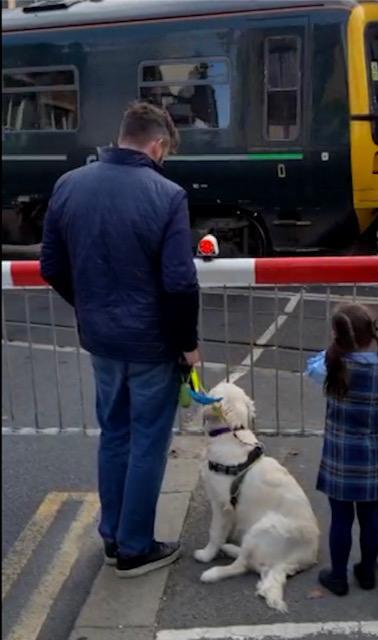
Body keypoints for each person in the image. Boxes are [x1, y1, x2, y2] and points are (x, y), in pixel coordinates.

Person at [40, 101, 200, 577]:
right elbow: (179, 282)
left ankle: (112, 536)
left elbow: (51, 265)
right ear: (156, 144)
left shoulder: (68, 184)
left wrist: (90, 305)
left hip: (102, 340)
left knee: (114, 434)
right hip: (152, 344)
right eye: (165, 151)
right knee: (148, 442)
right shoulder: (167, 195)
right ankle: (134, 548)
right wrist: (187, 342)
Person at [305, 303, 378, 596]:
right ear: (372, 332)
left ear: (337, 336)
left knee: (340, 518)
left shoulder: (330, 365)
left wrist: (335, 345)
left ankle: (338, 577)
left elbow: (312, 367)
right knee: (369, 516)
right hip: (369, 456)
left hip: (337, 454)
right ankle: (366, 572)